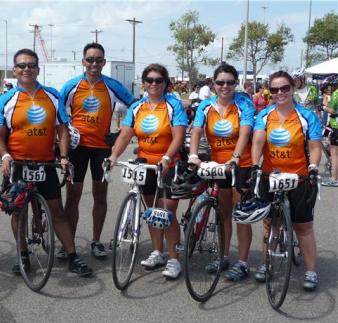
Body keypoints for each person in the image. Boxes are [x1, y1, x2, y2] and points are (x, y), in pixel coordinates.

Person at [0, 48, 93, 277]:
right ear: (14, 70)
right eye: (21, 65)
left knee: (57, 211)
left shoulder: (52, 96)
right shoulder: (6, 100)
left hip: (45, 163)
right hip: (18, 164)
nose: (26, 69)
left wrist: (65, 157)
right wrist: (5, 156)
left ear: (38, 69)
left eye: (31, 65)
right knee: (18, 212)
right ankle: (23, 255)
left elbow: (63, 130)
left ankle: (72, 256)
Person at [108, 63, 188, 278]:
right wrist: (114, 156)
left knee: (166, 213)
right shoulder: (137, 107)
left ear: (165, 84)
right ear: (143, 83)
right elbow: (125, 134)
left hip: (169, 165)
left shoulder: (173, 105)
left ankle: (173, 259)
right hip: (145, 165)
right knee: (152, 212)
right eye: (149, 80)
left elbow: (179, 135)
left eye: (158, 80)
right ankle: (157, 251)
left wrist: (166, 157)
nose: (154, 84)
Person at [59, 42, 135, 259]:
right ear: (83, 61)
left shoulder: (112, 85)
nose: (94, 64)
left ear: (104, 62)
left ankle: (96, 241)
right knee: (72, 197)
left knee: (100, 196)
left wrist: (120, 133)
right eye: (90, 59)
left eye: (99, 60)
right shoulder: (71, 85)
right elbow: (56, 111)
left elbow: (136, 108)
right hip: (77, 149)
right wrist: (65, 134)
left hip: (102, 148)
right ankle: (68, 244)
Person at [251, 70, 322, 290]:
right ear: (269, 92)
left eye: (284, 88)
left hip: (299, 177)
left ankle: (311, 271)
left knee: (303, 227)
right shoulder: (264, 116)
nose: (280, 93)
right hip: (270, 177)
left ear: (292, 89)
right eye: (274, 89)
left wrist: (313, 167)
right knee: (269, 224)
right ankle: (266, 263)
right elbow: (258, 143)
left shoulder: (307, 116)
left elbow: (315, 147)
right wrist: (255, 166)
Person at [188, 63, 255, 281]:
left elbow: (245, 131)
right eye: (220, 82)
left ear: (235, 84)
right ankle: (224, 255)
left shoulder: (244, 103)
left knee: (241, 216)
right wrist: (193, 155)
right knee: (224, 214)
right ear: (213, 84)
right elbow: (197, 129)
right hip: (218, 165)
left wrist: (235, 157)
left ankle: (243, 263)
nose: (225, 86)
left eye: (229, 82)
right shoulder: (206, 106)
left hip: (241, 164)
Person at [322, 75, 338, 187]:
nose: (329, 89)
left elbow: (331, 109)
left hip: (336, 125)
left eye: (329, 86)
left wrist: (323, 107)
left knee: (334, 153)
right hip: (332, 125)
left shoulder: (336, 94)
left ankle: (334, 179)